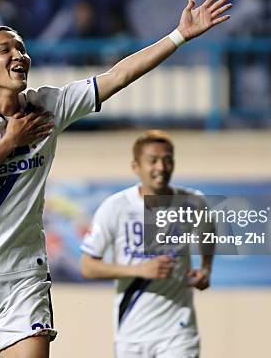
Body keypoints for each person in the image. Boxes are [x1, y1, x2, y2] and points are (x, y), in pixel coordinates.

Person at [0, 0, 231, 358]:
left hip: (24, 276)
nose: (19, 55)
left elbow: (117, 76)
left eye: (21, 48)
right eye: (5, 50)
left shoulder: (48, 105)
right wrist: (11, 141)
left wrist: (179, 36)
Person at [79, 130, 215, 358]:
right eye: (153, 160)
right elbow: (87, 266)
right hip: (131, 333)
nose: (161, 167)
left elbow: (208, 232)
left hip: (178, 332)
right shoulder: (116, 207)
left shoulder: (193, 202)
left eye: (167, 159)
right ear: (135, 167)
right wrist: (139, 270)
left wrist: (205, 269)